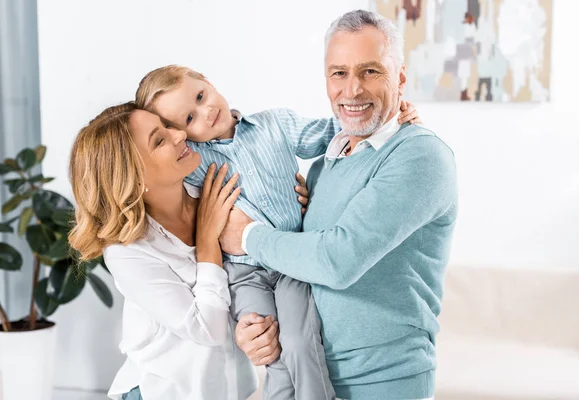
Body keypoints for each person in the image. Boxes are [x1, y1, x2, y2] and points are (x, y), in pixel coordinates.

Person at [134, 65, 421, 399]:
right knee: (273, 353)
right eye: (189, 119)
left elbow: (334, 131)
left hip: (290, 263)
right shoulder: (192, 162)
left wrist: (390, 118)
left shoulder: (274, 124)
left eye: (201, 96)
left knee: (300, 342)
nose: (206, 111)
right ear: (179, 133)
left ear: (209, 82)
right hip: (243, 274)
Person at [221, 10, 458, 400]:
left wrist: (246, 235)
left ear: (399, 78)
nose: (352, 90)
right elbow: (298, 267)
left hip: (384, 384)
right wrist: (253, 327)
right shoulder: (325, 163)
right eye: (339, 73)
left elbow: (337, 260)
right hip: (310, 378)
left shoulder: (420, 156)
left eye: (370, 71)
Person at [68, 103, 284, 400]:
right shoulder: (128, 252)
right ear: (134, 178)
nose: (180, 133)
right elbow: (206, 329)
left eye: (166, 126)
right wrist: (208, 239)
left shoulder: (214, 190)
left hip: (231, 391)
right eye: (159, 140)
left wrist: (295, 193)